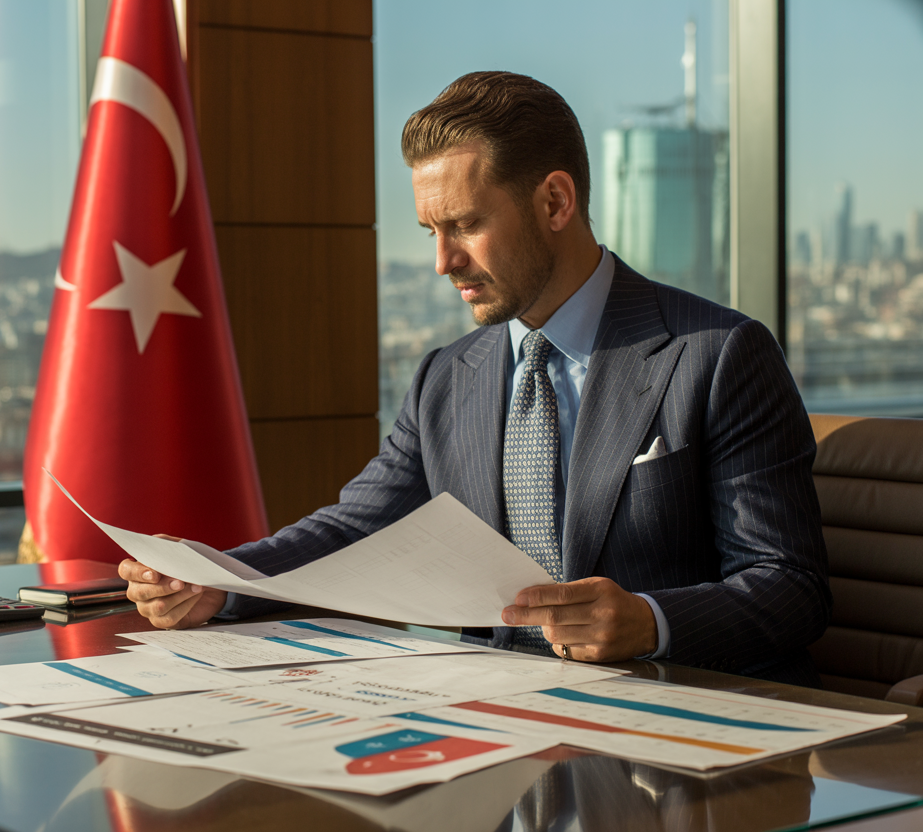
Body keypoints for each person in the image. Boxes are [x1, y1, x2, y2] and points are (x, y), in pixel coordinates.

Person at [119, 71, 830, 684]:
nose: (443, 262)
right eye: (431, 231)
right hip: (500, 729)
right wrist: (218, 581)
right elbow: (354, 528)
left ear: (555, 202)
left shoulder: (717, 354)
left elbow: (790, 586)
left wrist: (650, 621)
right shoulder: (446, 378)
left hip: (675, 733)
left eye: (463, 225)